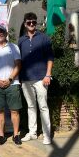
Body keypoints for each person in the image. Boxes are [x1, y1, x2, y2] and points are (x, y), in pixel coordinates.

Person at [18, 12, 54, 145]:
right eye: (29, 22)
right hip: (26, 79)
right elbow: (19, 61)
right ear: (25, 23)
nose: (31, 24)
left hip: (41, 78)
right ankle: (32, 132)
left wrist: (48, 75)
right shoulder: (21, 40)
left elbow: (50, 57)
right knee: (31, 107)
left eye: (34, 22)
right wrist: (20, 78)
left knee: (43, 107)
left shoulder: (44, 38)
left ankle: (47, 135)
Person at [0, 26, 22, 145]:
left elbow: (18, 65)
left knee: (15, 111)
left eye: (1, 31)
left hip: (13, 83)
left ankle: (16, 135)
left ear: (6, 33)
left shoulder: (14, 47)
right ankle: (1, 135)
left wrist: (10, 79)